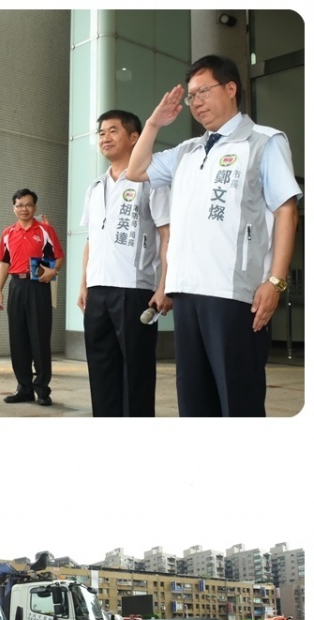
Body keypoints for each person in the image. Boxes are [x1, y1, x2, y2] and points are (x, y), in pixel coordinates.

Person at [126, 55, 301, 416]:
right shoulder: (187, 151)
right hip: (186, 292)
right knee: (195, 403)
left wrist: (276, 282)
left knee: (238, 403)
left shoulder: (264, 141)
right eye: (191, 96)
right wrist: (154, 123)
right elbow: (135, 169)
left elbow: (287, 211)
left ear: (231, 88)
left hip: (234, 296)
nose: (197, 102)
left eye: (203, 91)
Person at [78, 109, 171, 416]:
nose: (105, 137)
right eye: (101, 132)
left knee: (137, 373)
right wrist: (84, 284)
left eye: (113, 131)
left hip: (134, 291)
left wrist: (164, 286)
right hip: (98, 292)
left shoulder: (151, 182)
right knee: (101, 370)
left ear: (134, 137)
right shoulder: (94, 187)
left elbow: (166, 235)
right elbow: (92, 240)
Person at [0, 190, 64, 406]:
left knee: (39, 337)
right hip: (16, 286)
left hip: (38, 287)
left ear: (34, 207)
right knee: (18, 339)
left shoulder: (45, 230)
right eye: (19, 205)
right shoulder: (8, 232)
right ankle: (24, 388)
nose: (24, 209)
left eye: (28, 204)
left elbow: (59, 258)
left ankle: (42, 389)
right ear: (13, 208)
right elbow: (4, 263)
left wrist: (53, 272)